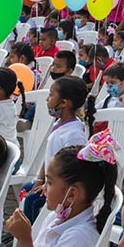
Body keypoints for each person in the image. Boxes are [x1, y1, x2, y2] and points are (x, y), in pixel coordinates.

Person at [18, 76, 91, 222]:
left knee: (33, 200)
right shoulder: (59, 123)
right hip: (51, 181)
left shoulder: (74, 134)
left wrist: (49, 186)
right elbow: (50, 158)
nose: (47, 99)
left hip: (62, 187)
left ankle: (33, 237)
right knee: (27, 187)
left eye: (51, 95)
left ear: (63, 103)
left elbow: (72, 171)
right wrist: (40, 179)